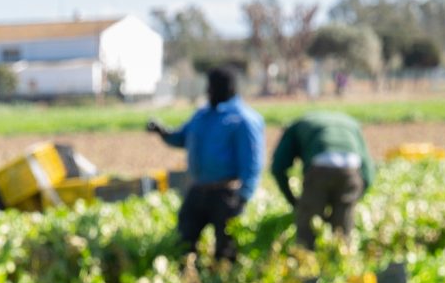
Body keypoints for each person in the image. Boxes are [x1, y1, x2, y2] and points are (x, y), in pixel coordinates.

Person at [149, 66, 264, 262]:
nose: (208, 91)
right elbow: (181, 138)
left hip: (226, 193)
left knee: (226, 248)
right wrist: (163, 133)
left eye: (212, 87)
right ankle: (189, 280)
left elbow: (252, 163)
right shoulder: (202, 116)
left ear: (227, 89)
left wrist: (243, 197)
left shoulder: (242, 119)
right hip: (199, 189)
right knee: (184, 239)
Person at [267, 109, 377, 247]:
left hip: (319, 168)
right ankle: (340, 261)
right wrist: (354, 197)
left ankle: (306, 259)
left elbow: (278, 167)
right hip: (351, 169)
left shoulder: (296, 126)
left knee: (307, 228)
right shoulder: (351, 124)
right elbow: (368, 172)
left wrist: (295, 202)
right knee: (342, 231)